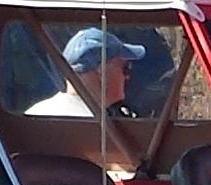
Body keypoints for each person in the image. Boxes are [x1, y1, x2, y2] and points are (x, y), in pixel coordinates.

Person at [26, 26, 163, 122]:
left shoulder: (34, 114)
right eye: (125, 68)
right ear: (101, 71)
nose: (127, 77)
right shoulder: (95, 128)